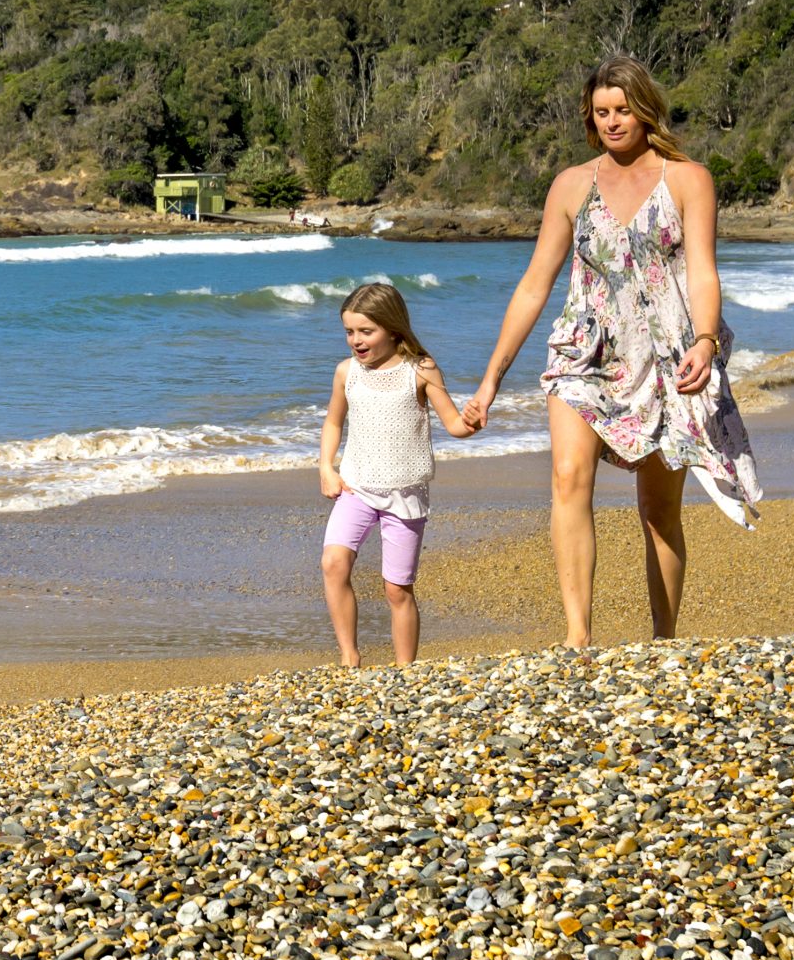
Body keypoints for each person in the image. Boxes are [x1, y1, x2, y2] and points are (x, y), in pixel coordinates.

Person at [460, 56, 761, 646]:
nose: (613, 122)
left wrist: (704, 340)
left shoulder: (688, 179)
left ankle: (663, 637)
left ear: (646, 110)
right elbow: (534, 284)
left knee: (658, 508)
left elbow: (703, 271)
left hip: (666, 358)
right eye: (601, 112)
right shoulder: (572, 185)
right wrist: (492, 379)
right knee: (568, 476)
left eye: (623, 110)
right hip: (585, 353)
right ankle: (578, 636)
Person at [318, 281, 478, 666]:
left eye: (365, 331)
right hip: (356, 487)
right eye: (349, 331)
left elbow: (454, 424)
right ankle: (349, 657)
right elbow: (333, 422)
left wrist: (472, 421)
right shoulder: (346, 372)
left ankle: (405, 670)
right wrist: (326, 466)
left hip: (404, 495)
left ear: (392, 329)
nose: (356, 340)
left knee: (397, 589)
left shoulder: (420, 370)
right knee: (333, 564)